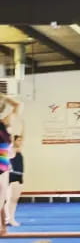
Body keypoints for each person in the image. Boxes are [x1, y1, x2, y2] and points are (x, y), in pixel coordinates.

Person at [0, 93, 21, 235]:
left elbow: (18, 105)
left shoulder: (4, 122)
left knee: (2, 199)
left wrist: (2, 95)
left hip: (3, 165)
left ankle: (3, 227)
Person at [6, 133, 24, 226]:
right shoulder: (12, 149)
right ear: (14, 141)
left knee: (14, 199)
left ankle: (9, 218)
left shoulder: (19, 150)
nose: (20, 142)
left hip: (19, 176)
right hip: (13, 176)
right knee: (11, 199)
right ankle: (10, 219)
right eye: (18, 140)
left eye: (21, 140)